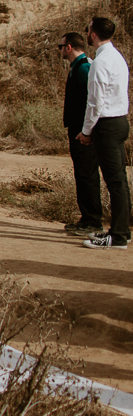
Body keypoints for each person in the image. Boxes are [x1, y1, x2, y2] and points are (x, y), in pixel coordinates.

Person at [77, 16, 130, 250]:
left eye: (88, 30)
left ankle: (118, 236)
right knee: (119, 180)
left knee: (115, 182)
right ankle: (122, 232)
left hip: (106, 125)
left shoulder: (100, 62)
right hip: (120, 121)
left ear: (93, 34)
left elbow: (95, 102)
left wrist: (86, 131)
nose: (87, 34)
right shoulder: (117, 57)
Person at [59, 32, 102, 237]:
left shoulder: (84, 68)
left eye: (61, 46)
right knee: (83, 175)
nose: (59, 50)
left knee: (87, 175)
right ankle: (87, 219)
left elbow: (92, 101)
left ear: (68, 47)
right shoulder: (79, 67)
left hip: (83, 132)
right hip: (79, 129)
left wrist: (87, 131)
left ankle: (92, 220)